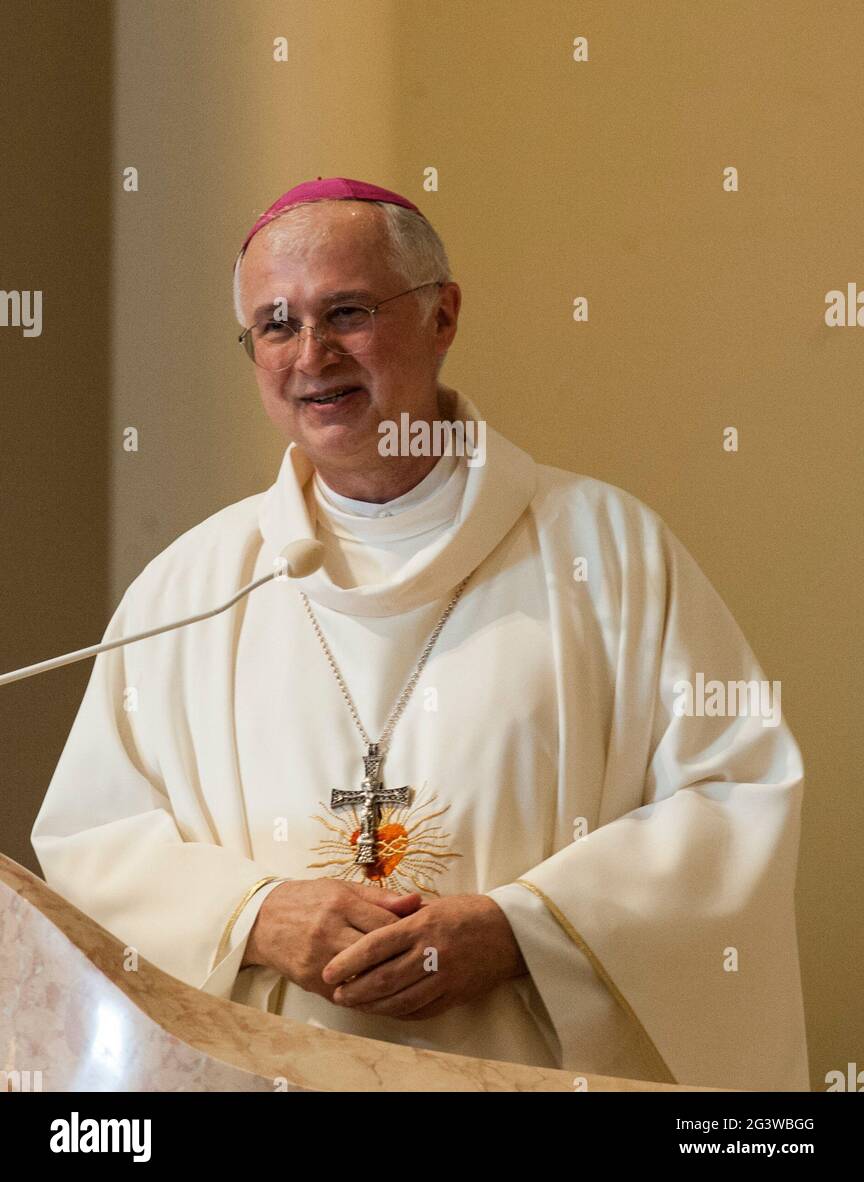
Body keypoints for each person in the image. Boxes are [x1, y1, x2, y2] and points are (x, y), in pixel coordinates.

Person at [32, 177, 809, 1090]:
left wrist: (524, 929)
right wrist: (253, 914)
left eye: (347, 312)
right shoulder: (193, 586)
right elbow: (91, 845)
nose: (311, 355)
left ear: (443, 317)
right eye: (275, 325)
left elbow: (736, 801)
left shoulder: (610, 553)